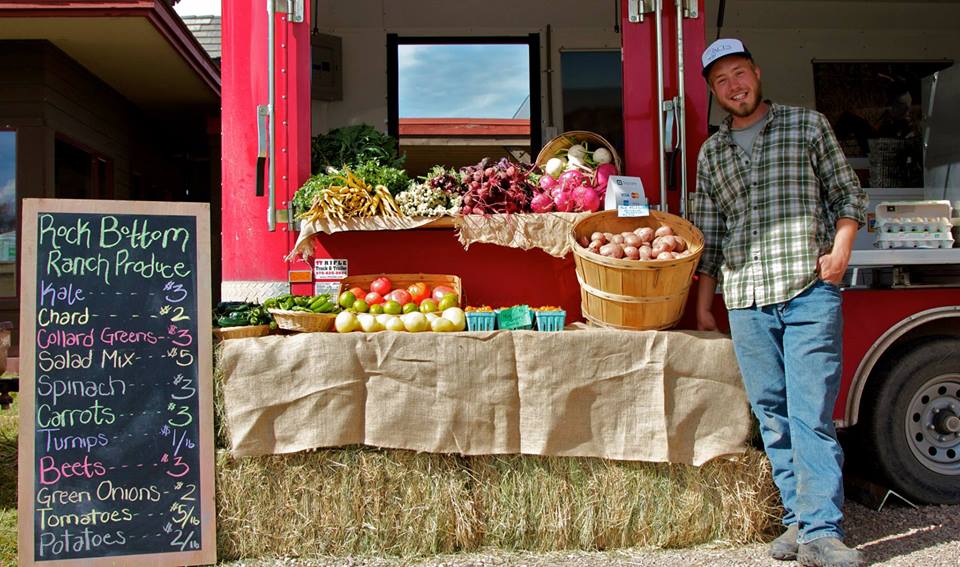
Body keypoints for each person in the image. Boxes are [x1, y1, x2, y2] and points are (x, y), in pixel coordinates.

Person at [690, 39, 867, 567]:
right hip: (745, 297)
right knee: (772, 415)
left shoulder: (806, 125)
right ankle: (797, 520)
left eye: (739, 73)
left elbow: (847, 194)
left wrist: (840, 253)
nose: (734, 86)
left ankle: (823, 532)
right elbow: (710, 233)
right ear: (714, 92)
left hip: (807, 288)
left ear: (757, 74)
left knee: (810, 411)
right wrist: (704, 304)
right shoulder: (711, 153)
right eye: (722, 81)